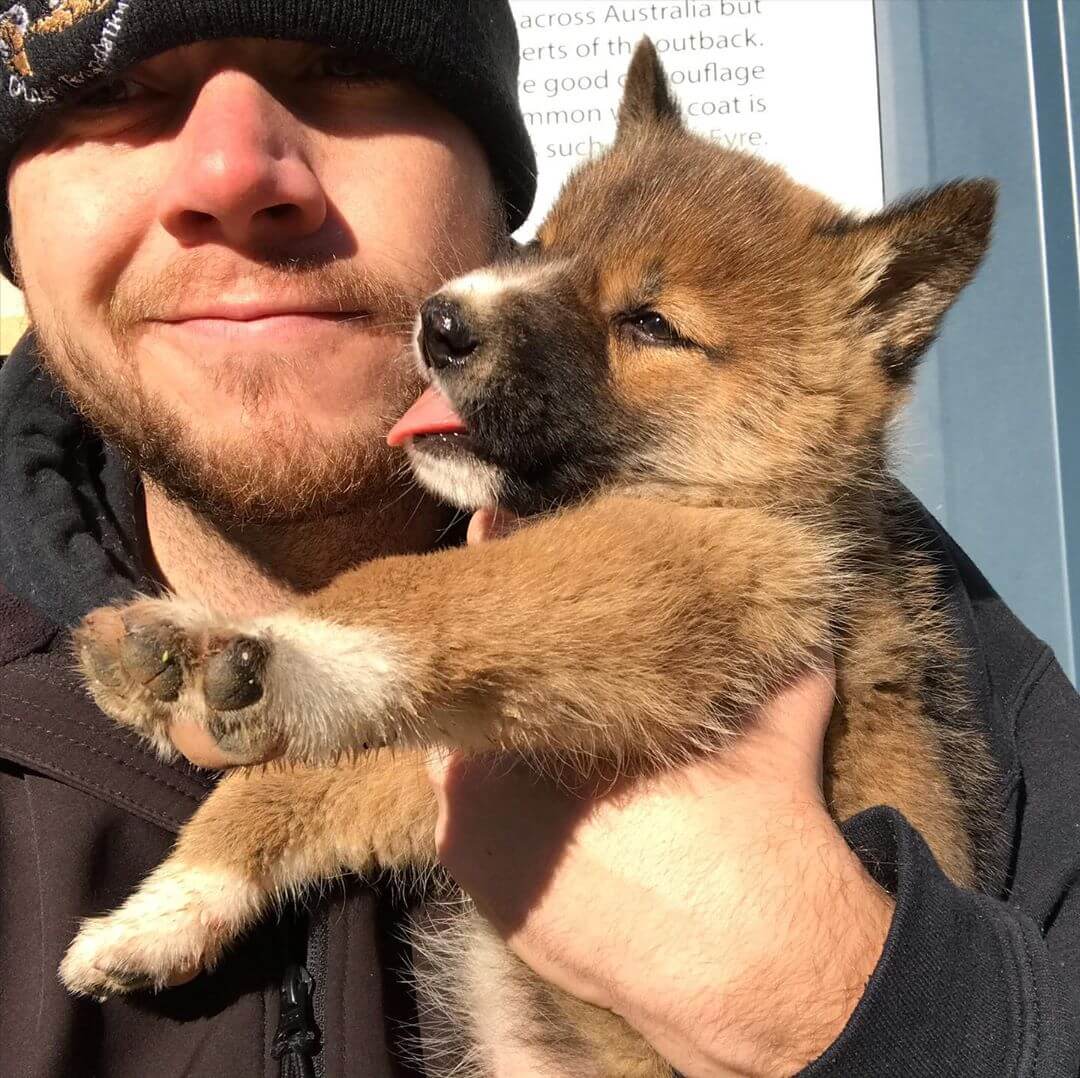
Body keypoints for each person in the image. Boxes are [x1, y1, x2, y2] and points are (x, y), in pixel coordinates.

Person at [0, 2, 1078, 1076]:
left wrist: (859, 1009)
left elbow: (553, 620)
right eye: (108, 90)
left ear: (490, 174)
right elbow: (434, 766)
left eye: (347, 62)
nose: (232, 172)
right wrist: (231, 860)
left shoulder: (996, 695)